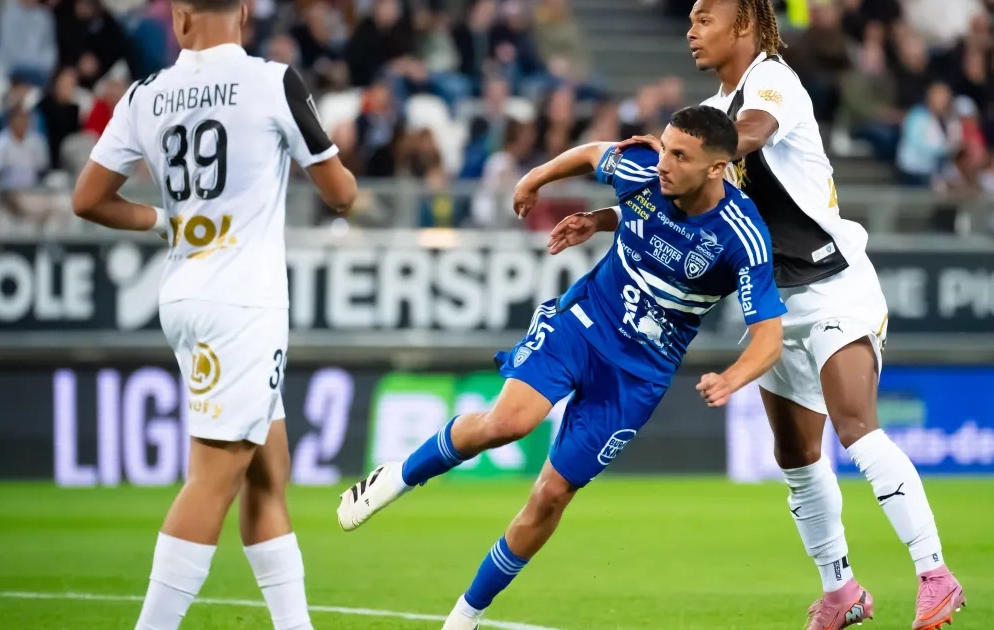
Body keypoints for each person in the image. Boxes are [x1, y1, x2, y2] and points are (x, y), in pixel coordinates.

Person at [336, 106, 787, 630]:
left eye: (680, 156)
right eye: (664, 147)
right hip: (582, 323)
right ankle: (397, 478)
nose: (664, 162)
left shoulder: (742, 234)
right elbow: (592, 155)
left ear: (716, 168)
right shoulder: (644, 169)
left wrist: (732, 377)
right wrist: (534, 179)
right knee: (508, 422)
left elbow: (769, 337)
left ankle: (464, 617)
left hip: (638, 374)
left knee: (551, 495)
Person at [612, 2, 967, 629]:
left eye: (705, 17)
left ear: (744, 25)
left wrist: (687, 151)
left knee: (856, 427)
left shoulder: (772, 80)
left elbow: (751, 132)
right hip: (777, 300)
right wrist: (623, 203)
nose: (691, 30)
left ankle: (935, 573)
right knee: (796, 453)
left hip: (835, 285)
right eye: (690, 19)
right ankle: (841, 591)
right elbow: (684, 201)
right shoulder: (711, 113)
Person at [69, 0, 358, 627]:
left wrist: (161, 220)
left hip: (184, 292)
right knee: (213, 477)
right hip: (243, 300)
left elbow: (87, 199)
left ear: (180, 18)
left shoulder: (145, 94)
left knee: (267, 473)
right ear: (246, 12)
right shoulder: (272, 81)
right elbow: (341, 195)